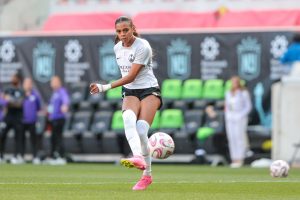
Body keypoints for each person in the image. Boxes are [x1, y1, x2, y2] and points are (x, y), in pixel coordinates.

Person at [90, 16, 162, 191]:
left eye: (125, 30)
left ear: (132, 29)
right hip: (130, 91)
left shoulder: (142, 46)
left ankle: (147, 176)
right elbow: (128, 81)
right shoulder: (117, 48)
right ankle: (137, 156)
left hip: (149, 89)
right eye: (118, 31)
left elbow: (131, 76)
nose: (122, 34)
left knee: (142, 130)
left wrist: (105, 87)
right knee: (128, 118)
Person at [225, 76, 252, 168]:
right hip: (230, 118)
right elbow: (227, 106)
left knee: (239, 137)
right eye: (233, 82)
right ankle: (234, 158)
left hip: (240, 117)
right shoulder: (228, 93)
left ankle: (240, 158)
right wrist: (228, 116)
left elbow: (248, 107)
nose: (234, 84)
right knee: (232, 138)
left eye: (236, 82)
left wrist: (240, 115)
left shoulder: (244, 93)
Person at [0, 73, 25, 164]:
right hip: (8, 117)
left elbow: (19, 103)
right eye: (12, 78)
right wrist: (8, 100)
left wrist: (10, 100)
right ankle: (1, 155)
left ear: (18, 79)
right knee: (2, 135)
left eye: (14, 78)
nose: (12, 79)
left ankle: (17, 156)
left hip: (17, 118)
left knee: (18, 137)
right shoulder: (7, 89)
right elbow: (3, 101)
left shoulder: (22, 90)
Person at [48, 76, 70, 164]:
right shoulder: (54, 93)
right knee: (53, 138)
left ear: (58, 82)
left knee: (58, 138)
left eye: (53, 82)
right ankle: (54, 157)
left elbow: (66, 100)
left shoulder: (62, 91)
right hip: (53, 119)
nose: (52, 84)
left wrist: (65, 105)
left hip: (59, 118)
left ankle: (61, 157)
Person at [22, 78, 42, 164]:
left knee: (34, 140)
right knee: (21, 140)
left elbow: (38, 107)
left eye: (29, 83)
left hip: (32, 121)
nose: (28, 85)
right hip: (22, 121)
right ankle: (20, 156)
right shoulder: (21, 94)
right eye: (26, 83)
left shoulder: (35, 94)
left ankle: (35, 157)